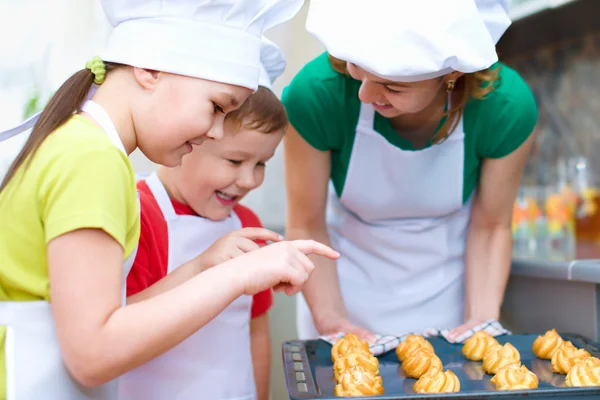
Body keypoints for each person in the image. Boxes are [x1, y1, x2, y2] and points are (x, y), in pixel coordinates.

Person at [0, 1, 340, 399]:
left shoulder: (79, 143)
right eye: (216, 107)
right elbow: (92, 354)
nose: (216, 132)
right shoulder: (93, 159)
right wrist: (236, 277)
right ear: (148, 69)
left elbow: (109, 316)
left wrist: (201, 265)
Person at [282, 0, 538, 341]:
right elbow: (306, 223)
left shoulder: (504, 106)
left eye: (392, 86)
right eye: (358, 68)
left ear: (453, 73)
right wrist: (331, 321)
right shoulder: (316, 94)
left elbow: (491, 227)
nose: (365, 93)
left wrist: (480, 323)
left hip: (448, 304)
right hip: (341, 296)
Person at [119, 38, 288, 400]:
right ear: (192, 141)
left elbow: (255, 327)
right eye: (234, 161)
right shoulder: (140, 215)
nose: (249, 180)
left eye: (261, 164)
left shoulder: (247, 224)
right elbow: (116, 327)